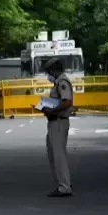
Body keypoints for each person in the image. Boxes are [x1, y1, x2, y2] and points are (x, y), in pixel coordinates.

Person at [43, 60, 75, 198]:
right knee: (54, 154)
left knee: (58, 155)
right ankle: (63, 183)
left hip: (58, 122)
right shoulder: (58, 82)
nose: (48, 75)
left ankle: (64, 187)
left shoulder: (62, 82)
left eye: (49, 72)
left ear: (53, 70)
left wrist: (52, 110)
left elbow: (67, 102)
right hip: (55, 121)